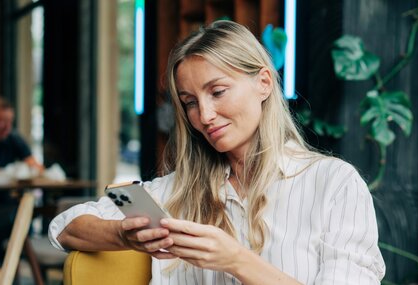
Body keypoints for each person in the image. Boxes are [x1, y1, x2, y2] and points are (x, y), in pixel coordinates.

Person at [49, 20, 385, 284]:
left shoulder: (334, 185)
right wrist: (125, 234)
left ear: (264, 83)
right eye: (190, 103)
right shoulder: (173, 190)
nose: (204, 116)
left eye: (218, 91)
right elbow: (64, 227)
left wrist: (236, 261)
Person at [0, 96, 44, 178]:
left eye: (10, 121)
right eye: (3, 121)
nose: (7, 127)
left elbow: (38, 168)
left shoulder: (13, 138)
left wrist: (23, 170)